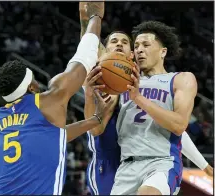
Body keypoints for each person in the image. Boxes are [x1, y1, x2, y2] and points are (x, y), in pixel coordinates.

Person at [79, 5, 213, 195]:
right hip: (126, 165)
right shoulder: (122, 84)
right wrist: (89, 17)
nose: (140, 50)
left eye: (146, 45)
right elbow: (95, 127)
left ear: (163, 51)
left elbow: (178, 126)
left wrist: (203, 164)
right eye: (137, 46)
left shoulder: (180, 79)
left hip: (161, 161)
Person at [0, 2, 113, 195]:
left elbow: (53, 136)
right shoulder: (49, 100)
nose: (39, 84)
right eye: (35, 80)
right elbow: (84, 58)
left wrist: (94, 120)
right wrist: (95, 17)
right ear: (31, 87)